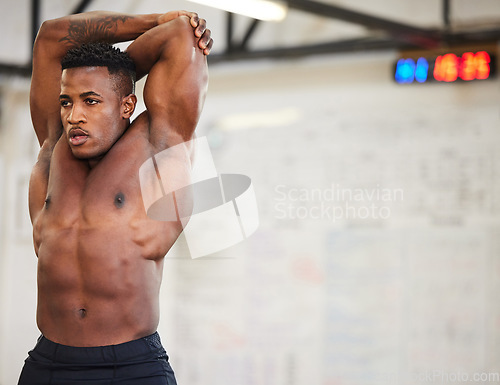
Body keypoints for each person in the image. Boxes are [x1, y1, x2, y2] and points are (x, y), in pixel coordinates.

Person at [19, 8, 213, 385]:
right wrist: (102, 76)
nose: (74, 115)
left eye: (90, 101)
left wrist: (112, 73)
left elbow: (178, 35)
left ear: (127, 105)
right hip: (48, 363)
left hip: (130, 367)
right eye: (66, 101)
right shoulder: (54, 147)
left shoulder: (158, 143)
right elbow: (48, 37)